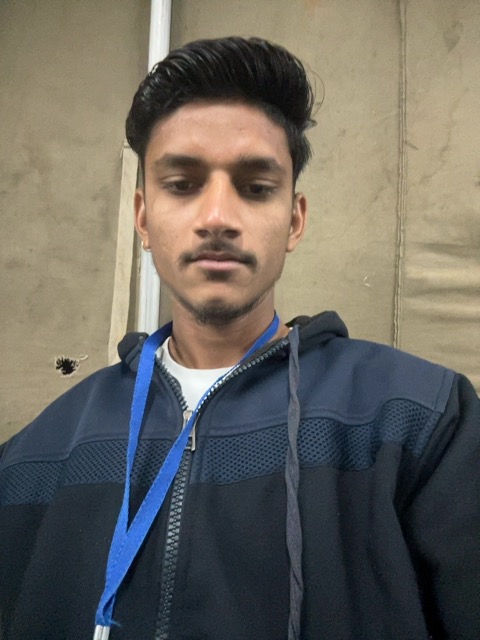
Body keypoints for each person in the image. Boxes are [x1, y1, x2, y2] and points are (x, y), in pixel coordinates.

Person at [0, 36, 479, 640]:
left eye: (255, 187)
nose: (217, 217)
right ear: (143, 218)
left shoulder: (417, 421)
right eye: (182, 184)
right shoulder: (37, 455)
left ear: (295, 220)